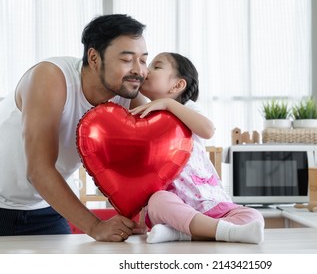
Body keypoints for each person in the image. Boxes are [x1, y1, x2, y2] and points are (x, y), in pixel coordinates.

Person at [0, 14, 149, 241]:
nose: (138, 70)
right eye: (127, 60)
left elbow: (148, 161)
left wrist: (140, 214)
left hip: (45, 207)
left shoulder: (128, 94)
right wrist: (96, 226)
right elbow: (38, 170)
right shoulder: (51, 77)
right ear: (94, 57)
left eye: (144, 60)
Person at [130, 52, 265, 244]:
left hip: (207, 200)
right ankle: (216, 232)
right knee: (158, 200)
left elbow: (208, 130)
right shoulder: (144, 119)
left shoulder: (186, 107)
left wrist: (168, 104)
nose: (146, 70)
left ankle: (180, 234)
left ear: (177, 85)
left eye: (156, 66)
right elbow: (146, 177)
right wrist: (141, 220)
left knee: (254, 216)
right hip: (175, 206)